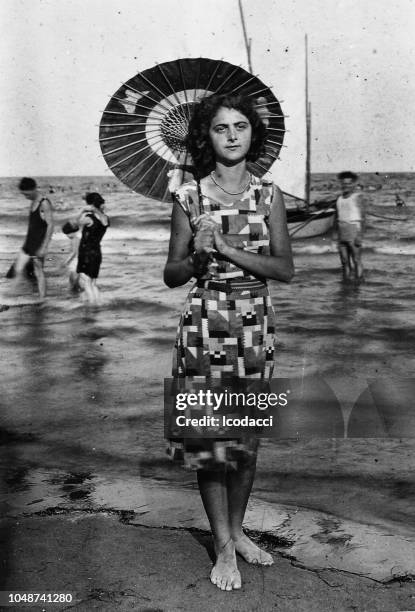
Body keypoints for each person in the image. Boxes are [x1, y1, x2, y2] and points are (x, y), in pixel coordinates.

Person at [164, 93, 294, 591]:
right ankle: (222, 546)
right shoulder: (189, 197)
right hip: (205, 322)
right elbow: (172, 274)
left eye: (241, 126)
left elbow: (284, 269)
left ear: (253, 134)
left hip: (255, 324)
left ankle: (237, 531)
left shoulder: (270, 195)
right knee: (209, 443)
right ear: (208, 137)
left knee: (247, 442)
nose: (234, 135)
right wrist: (197, 259)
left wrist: (225, 247)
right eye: (222, 128)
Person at [13, 177, 54, 298]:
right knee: (25, 269)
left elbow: (50, 225)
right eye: (24, 195)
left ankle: (42, 299)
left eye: (27, 194)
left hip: (39, 242)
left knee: (38, 270)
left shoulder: (44, 203)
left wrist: (44, 247)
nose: (26, 197)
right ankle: (35, 293)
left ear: (33, 189)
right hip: (31, 241)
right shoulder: (33, 201)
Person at [76, 192, 109, 304]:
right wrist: (95, 209)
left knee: (86, 282)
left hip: (86, 253)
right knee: (92, 283)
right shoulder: (105, 219)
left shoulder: (88, 219)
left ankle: (92, 306)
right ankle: (97, 304)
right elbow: (102, 220)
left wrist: (82, 211)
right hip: (97, 252)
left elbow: (74, 224)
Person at [335, 171, 365, 280]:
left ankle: (359, 284)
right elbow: (336, 217)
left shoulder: (357, 197)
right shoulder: (339, 198)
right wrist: (336, 235)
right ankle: (346, 284)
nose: (345, 186)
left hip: (353, 231)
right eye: (343, 183)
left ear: (353, 184)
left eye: (348, 183)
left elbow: (363, 218)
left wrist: (360, 236)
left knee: (356, 260)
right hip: (342, 232)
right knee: (344, 261)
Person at [61, 221, 81, 291]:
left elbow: (74, 252)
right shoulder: (75, 239)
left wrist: (67, 261)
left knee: (74, 278)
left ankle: (74, 290)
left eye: (67, 234)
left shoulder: (75, 240)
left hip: (76, 261)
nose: (67, 236)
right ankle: (74, 290)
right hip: (75, 261)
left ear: (72, 232)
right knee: (72, 278)